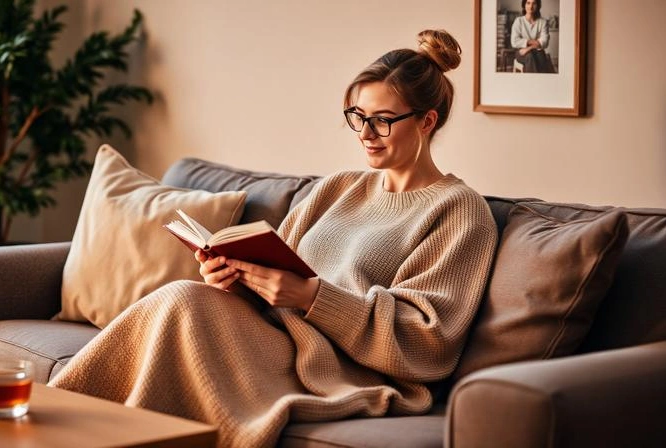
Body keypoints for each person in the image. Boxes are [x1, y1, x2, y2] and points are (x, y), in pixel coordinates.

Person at [49, 29, 498, 448]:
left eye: (382, 121)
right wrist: (233, 275)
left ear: (426, 121)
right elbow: (277, 262)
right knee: (188, 295)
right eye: (357, 116)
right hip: (274, 331)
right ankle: (51, 422)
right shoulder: (339, 187)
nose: (364, 134)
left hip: (341, 367)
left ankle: (71, 425)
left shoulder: (459, 211)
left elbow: (428, 343)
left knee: (183, 305)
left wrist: (310, 296)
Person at [511, 0, 555, 73]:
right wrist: (534, 42)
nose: (531, 7)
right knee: (530, 57)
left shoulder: (543, 22)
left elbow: (545, 42)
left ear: (538, 6)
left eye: (534, 3)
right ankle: (533, 82)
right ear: (524, 5)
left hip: (532, 51)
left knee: (540, 54)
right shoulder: (518, 21)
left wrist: (528, 48)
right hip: (520, 52)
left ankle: (541, 81)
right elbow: (514, 42)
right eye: (528, 3)